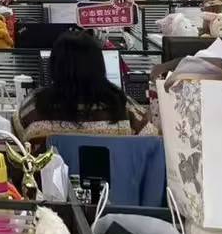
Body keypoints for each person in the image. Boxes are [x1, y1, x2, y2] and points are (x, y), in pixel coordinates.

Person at [15, 31, 152, 148]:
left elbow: (14, 145)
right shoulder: (122, 107)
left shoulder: (33, 107)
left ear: (54, 66)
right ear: (99, 65)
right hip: (115, 172)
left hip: (50, 172)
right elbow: (152, 140)